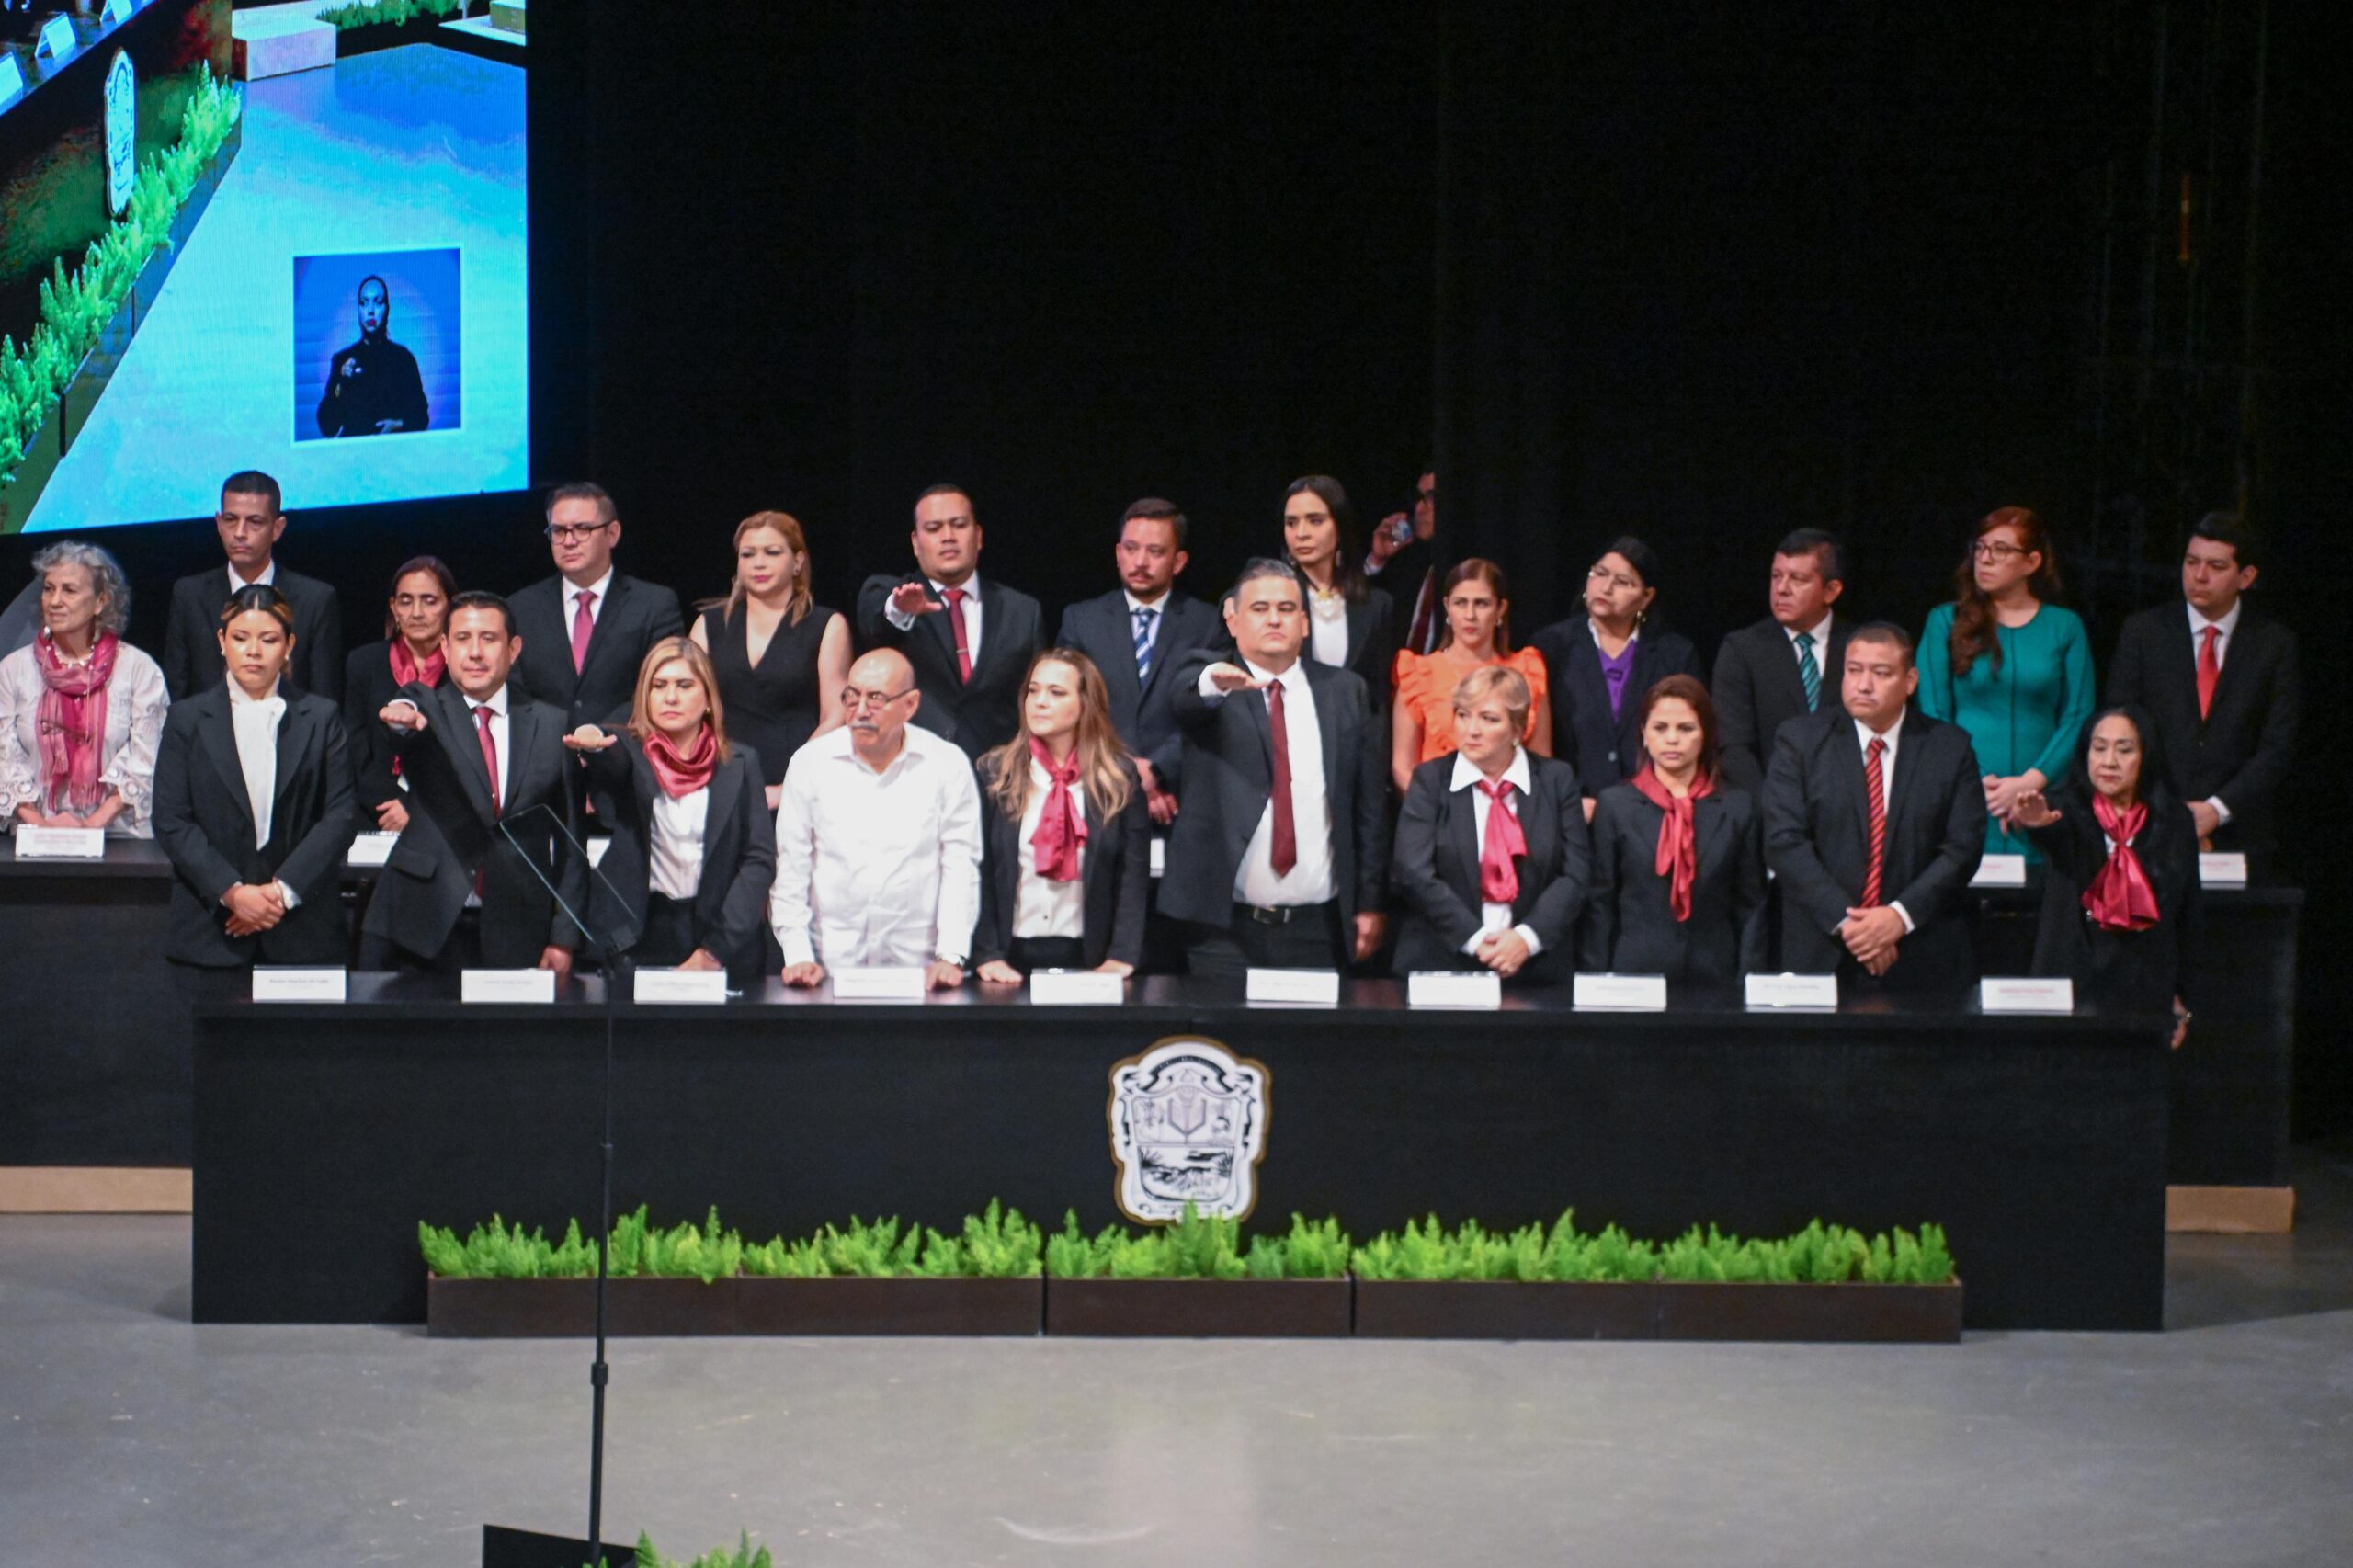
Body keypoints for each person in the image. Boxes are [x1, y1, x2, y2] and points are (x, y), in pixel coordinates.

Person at [1160, 559, 1389, 977]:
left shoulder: (1345, 691)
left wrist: (1370, 902)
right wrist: (1213, 682)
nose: (1274, 619)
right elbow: (1184, 697)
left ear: (1305, 623)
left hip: (1317, 927)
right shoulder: (1212, 681)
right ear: (1232, 620)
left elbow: (1369, 806)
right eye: (1259, 608)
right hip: (1223, 932)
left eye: (1286, 609)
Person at [359, 592, 586, 973]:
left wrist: (563, 936)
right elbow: (410, 705)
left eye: (489, 639)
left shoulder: (551, 724)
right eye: (463, 639)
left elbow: (571, 840)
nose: (476, 653)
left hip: (518, 927)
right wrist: (404, 715)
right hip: (422, 924)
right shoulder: (428, 710)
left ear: (513, 649)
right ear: (445, 648)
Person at [1763, 622, 1988, 993]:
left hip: (1920, 950)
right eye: (1854, 670)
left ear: (1910, 681)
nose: (1863, 685)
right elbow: (1784, 841)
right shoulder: (1800, 741)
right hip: (1821, 949)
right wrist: (1852, 926)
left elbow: (1962, 848)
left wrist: (1898, 917)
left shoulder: (1949, 748)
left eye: (1881, 673)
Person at [151, 586, 358, 970]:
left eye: (269, 639)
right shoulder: (186, 719)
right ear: (221, 641)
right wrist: (232, 893)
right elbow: (171, 819)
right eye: (241, 638)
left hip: (304, 929)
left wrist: (279, 895)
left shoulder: (321, 716)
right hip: (209, 932)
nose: (253, 651)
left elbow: (340, 816)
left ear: (289, 645)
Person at [769, 648, 981, 989]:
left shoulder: (946, 764)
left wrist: (950, 955)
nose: (860, 711)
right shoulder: (810, 763)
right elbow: (792, 869)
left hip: (921, 970)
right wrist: (797, 955)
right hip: (828, 968)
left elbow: (960, 866)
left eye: (876, 699)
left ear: (910, 705)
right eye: (851, 697)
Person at [563, 639, 776, 976]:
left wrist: (714, 952)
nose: (670, 697)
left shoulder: (741, 762)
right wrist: (592, 739)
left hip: (718, 937)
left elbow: (758, 859)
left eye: (684, 685)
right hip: (640, 937)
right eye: (658, 686)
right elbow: (609, 754)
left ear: (708, 699)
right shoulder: (631, 753)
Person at [2105, 512, 2298, 875]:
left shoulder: (2274, 644)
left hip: (2240, 831)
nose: (2199, 575)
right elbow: (2119, 727)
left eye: (2216, 566)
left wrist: (2217, 810)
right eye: (2191, 562)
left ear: (2246, 577)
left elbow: (2278, 746)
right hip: (2150, 823)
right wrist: (2166, 809)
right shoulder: (2144, 633)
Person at [1916, 506, 2095, 861]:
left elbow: (2078, 715)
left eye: (2000, 550)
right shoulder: (1945, 620)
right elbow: (1934, 712)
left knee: (2044, 884)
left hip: (2044, 796)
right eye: (1980, 548)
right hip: (1968, 790)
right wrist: (1980, 783)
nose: (1985, 559)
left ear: (2032, 562)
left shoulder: (2065, 626)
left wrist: (2029, 783)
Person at [2007, 706, 2197, 1040]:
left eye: (2124, 750)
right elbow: (2053, 834)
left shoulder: (2174, 821)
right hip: (2071, 988)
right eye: (2099, 748)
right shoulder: (2064, 809)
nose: (2109, 761)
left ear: (2146, 756)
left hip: (2145, 990)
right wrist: (2037, 823)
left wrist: (2180, 994)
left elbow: (2188, 914)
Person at [1392, 665, 1586, 982]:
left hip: (1536, 969)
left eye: (1489, 719)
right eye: (1463, 715)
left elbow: (1575, 873)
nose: (1472, 730)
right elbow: (1414, 871)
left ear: (1518, 729)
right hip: (1444, 962)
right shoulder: (1430, 780)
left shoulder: (1556, 780)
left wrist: (1526, 939)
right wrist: (1477, 940)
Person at [971, 650, 1151, 981]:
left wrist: (1122, 955)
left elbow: (1132, 875)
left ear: (1086, 703)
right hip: (1009, 962)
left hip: (1091, 960)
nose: (1040, 702)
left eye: (1056, 693)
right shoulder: (995, 773)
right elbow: (977, 871)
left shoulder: (1118, 778)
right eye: (1033, 691)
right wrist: (986, 954)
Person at [1582, 675, 1767, 989]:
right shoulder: (1615, 805)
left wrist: (1749, 982)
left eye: (1685, 728)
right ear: (1643, 733)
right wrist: (1595, 983)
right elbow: (1600, 904)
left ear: (1706, 734)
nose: (1672, 739)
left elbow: (1751, 905)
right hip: (1633, 978)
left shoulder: (1738, 806)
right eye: (1660, 728)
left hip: (1716, 979)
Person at [1055, 498, 1225, 825]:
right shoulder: (1082, 620)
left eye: (1155, 552)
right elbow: (1067, 706)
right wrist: (1127, 770)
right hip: (1098, 792)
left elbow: (1215, 713)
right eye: (1131, 549)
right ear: (1118, 553)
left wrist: (1158, 770)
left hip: (1180, 798)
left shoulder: (1206, 624)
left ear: (1179, 561)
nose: (1140, 562)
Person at [855, 484, 1044, 760]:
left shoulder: (1023, 611)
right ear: (915, 543)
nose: (948, 537)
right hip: (914, 767)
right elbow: (876, 626)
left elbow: (1039, 696)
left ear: (978, 536)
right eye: (934, 528)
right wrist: (899, 609)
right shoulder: (892, 595)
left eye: (959, 525)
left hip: (1002, 771)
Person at [0, 542, 168, 837]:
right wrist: (41, 827)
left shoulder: (138, 669)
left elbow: (148, 756)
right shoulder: (13, 670)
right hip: (33, 838)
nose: (55, 601)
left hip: (118, 840)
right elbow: (4, 755)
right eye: (49, 589)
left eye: (69, 590)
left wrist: (89, 827)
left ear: (101, 601)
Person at [690, 510, 850, 811]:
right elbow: (691, 710)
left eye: (772, 552)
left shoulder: (827, 625)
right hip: (719, 778)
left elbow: (836, 715)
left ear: (798, 562)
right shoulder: (708, 625)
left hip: (799, 783)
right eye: (748, 554)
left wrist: (792, 784)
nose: (759, 563)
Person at [1531, 536, 1703, 814]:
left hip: (1654, 812)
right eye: (1599, 574)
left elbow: (1694, 737)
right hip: (1574, 810)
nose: (1606, 587)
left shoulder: (1675, 655)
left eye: (1623, 582)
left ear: (1646, 597)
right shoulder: (1551, 647)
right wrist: (1569, 801)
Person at [509, 482, 687, 733]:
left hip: (627, 747)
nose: (569, 541)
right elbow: (513, 690)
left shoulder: (654, 604)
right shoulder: (521, 608)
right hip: (546, 749)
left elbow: (662, 686)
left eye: (582, 529)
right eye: (558, 531)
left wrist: (601, 733)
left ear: (612, 534)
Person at [161, 472, 343, 700]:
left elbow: (325, 702)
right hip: (208, 723)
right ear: (218, 523)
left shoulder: (315, 600)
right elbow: (176, 697)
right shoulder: (189, 595)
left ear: (277, 528)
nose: (239, 533)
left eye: (254, 522)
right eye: (230, 520)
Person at [1391, 558, 1552, 793]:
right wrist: (1434, 809)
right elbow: (1403, 767)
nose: (1470, 614)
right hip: (1438, 807)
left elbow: (1542, 763)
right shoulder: (1418, 674)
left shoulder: (1526, 671)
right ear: (1447, 607)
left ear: (1500, 609)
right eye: (1460, 603)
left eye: (1481, 604)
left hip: (1509, 808)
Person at [1712, 528, 1854, 793]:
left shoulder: (1859, 648)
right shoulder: (1742, 649)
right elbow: (1734, 748)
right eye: (1776, 576)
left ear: (1831, 591)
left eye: (1797, 579)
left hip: (1849, 806)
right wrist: (1774, 808)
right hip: (1767, 804)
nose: (1781, 589)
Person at [342, 556, 454, 834]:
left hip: (444, 813)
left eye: (429, 601)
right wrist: (387, 804)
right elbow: (355, 748)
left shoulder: (463, 669)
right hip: (374, 813)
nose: (416, 612)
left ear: (449, 605)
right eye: (406, 601)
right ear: (393, 607)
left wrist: (413, 806)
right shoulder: (363, 663)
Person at [1282, 475, 1398, 710]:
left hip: (1354, 729)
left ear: (1340, 527)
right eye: (1291, 523)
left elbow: (1379, 696)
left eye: (1315, 521)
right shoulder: (1272, 598)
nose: (1301, 533)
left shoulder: (1376, 604)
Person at [313, 275, 429, 437]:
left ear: (387, 308)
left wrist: (398, 425)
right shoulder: (343, 361)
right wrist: (340, 383)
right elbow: (327, 427)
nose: (370, 310)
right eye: (364, 303)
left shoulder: (403, 359)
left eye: (378, 302)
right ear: (358, 310)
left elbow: (421, 417)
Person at [1364, 467, 1445, 655]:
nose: (1419, 509)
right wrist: (1377, 558)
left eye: (1432, 498)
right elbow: (1363, 614)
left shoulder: (1470, 571)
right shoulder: (1409, 561)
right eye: (1419, 498)